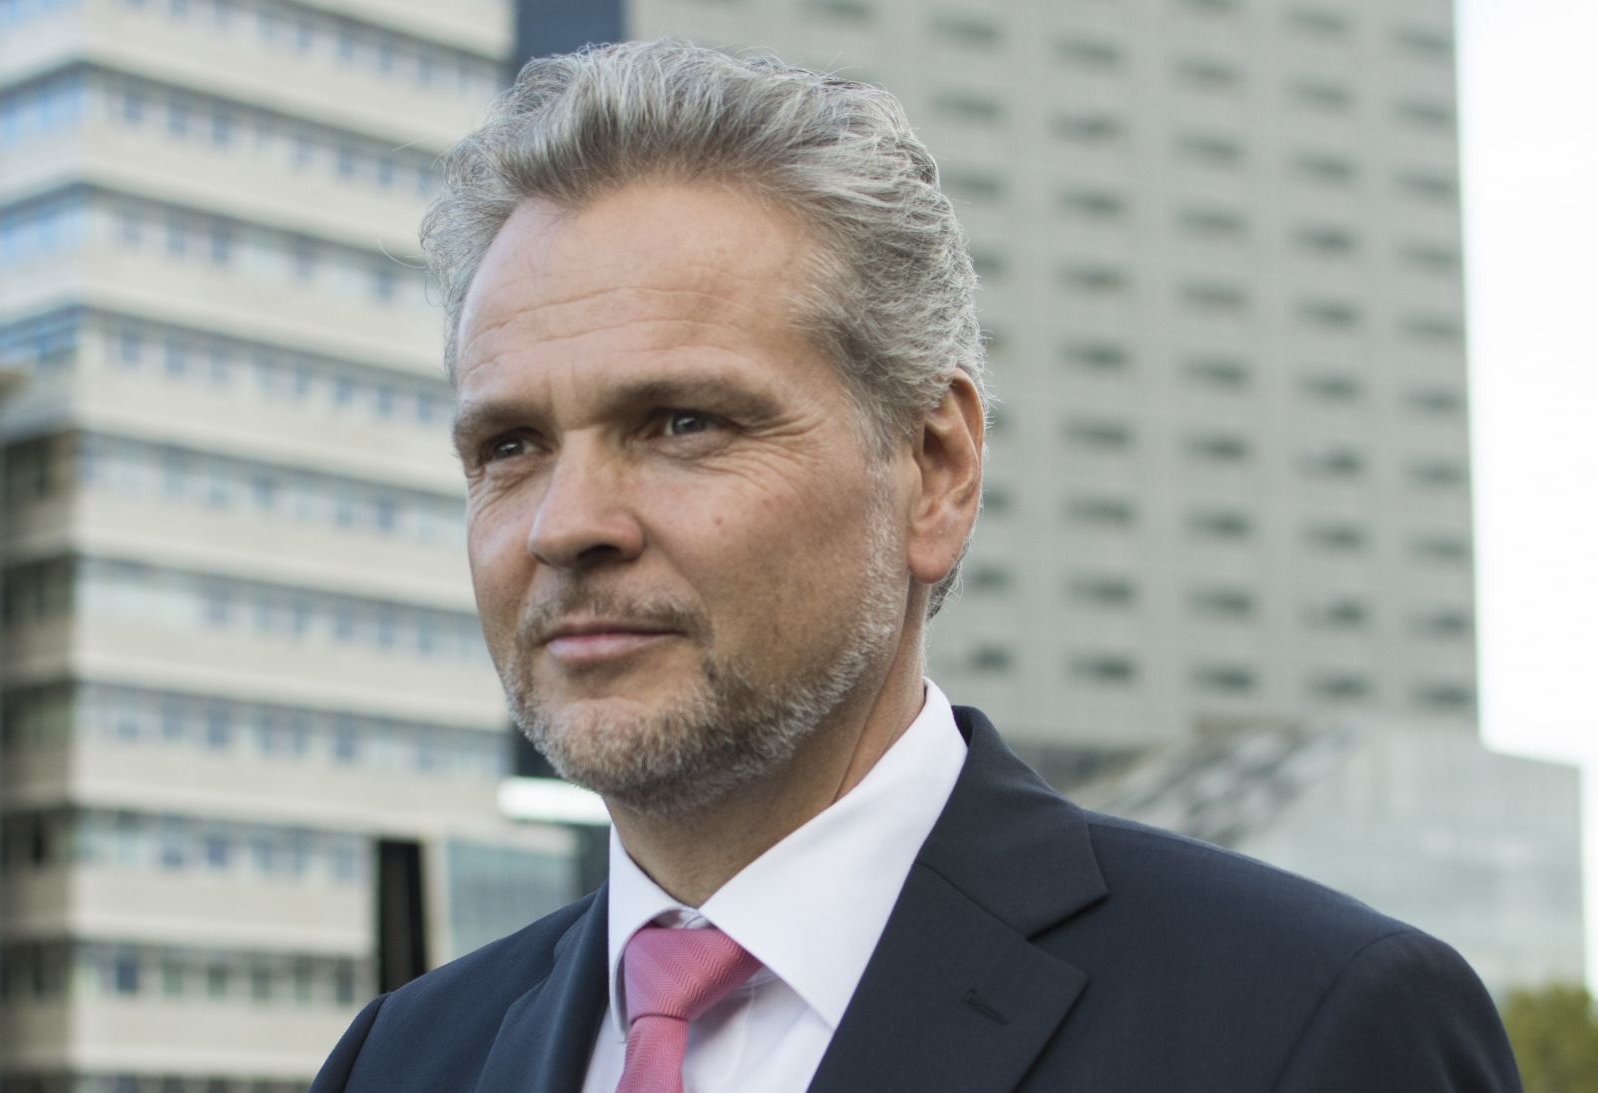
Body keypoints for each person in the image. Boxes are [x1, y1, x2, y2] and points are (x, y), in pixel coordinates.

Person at [309, 40, 1522, 1093]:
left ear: (934, 470)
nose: (566, 523)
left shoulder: (1301, 1025)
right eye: (509, 446)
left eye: (682, 422)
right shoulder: (403, 1060)